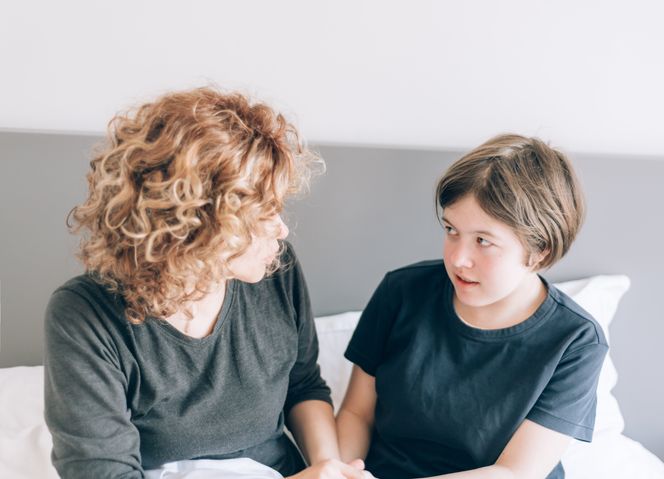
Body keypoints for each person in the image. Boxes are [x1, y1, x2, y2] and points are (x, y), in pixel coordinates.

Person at [44, 87, 366, 479]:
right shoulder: (85, 317)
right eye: (263, 213)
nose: (281, 230)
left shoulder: (275, 270)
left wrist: (329, 468)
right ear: (197, 224)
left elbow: (303, 386)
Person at [336, 134, 608, 479]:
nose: (458, 258)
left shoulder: (576, 341)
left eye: (483, 241)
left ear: (540, 252)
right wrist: (342, 472)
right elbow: (357, 413)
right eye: (451, 230)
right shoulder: (402, 291)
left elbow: (515, 473)